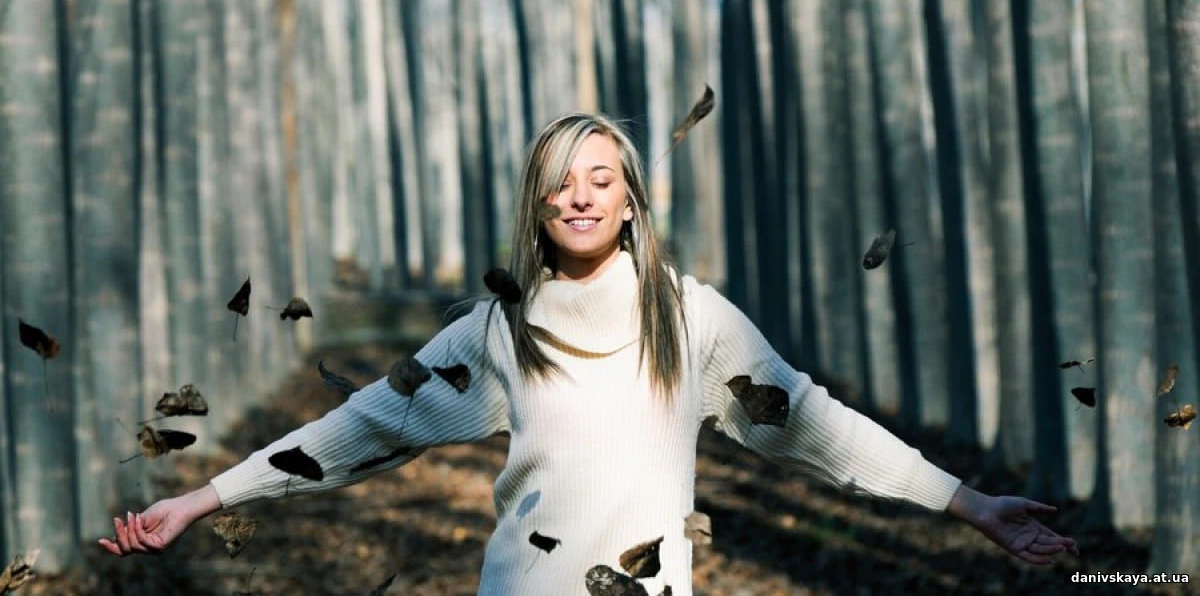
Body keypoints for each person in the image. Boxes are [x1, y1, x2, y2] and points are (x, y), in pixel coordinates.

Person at [101, 114, 1077, 594]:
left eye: (600, 179)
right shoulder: (497, 332)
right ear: (538, 202)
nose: (579, 196)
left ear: (630, 200)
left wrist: (968, 503)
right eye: (560, 182)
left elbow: (819, 428)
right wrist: (201, 499)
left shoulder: (692, 321)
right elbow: (354, 431)